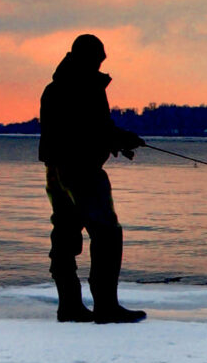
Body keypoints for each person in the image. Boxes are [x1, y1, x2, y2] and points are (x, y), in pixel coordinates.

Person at [39, 34, 147, 324]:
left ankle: (70, 306)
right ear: (88, 57)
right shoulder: (84, 86)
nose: (101, 64)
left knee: (65, 236)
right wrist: (122, 138)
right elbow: (91, 129)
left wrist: (116, 141)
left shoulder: (54, 87)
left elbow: (80, 130)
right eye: (98, 58)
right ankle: (106, 306)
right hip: (81, 170)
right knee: (107, 234)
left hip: (56, 171)